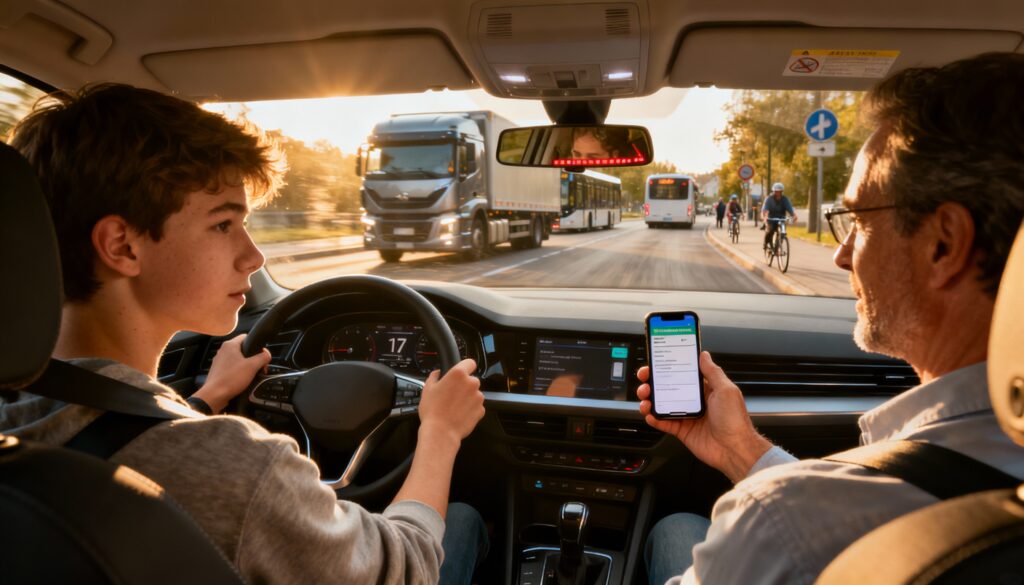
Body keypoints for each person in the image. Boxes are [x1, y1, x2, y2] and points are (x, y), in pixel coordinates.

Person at [0, 83, 488, 584]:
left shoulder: (14, 414)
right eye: (222, 224)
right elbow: (407, 567)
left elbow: (117, 441)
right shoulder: (239, 469)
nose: (254, 256)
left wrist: (207, 397)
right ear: (122, 246)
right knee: (464, 520)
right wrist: (440, 433)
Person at [639, 52, 1024, 585]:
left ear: (944, 244)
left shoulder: (783, 524)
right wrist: (742, 450)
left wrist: (766, 500)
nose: (842, 256)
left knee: (675, 528)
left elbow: (798, 528)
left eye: (860, 221)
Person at [760, 182, 797, 250]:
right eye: (776, 192)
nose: (778, 193)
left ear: (782, 192)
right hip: (771, 218)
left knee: (782, 232)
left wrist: (794, 216)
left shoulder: (785, 199)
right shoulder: (769, 199)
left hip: (781, 218)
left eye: (779, 192)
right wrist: (764, 217)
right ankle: (765, 243)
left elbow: (790, 209)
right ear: (774, 191)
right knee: (770, 230)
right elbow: (765, 210)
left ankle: (778, 245)